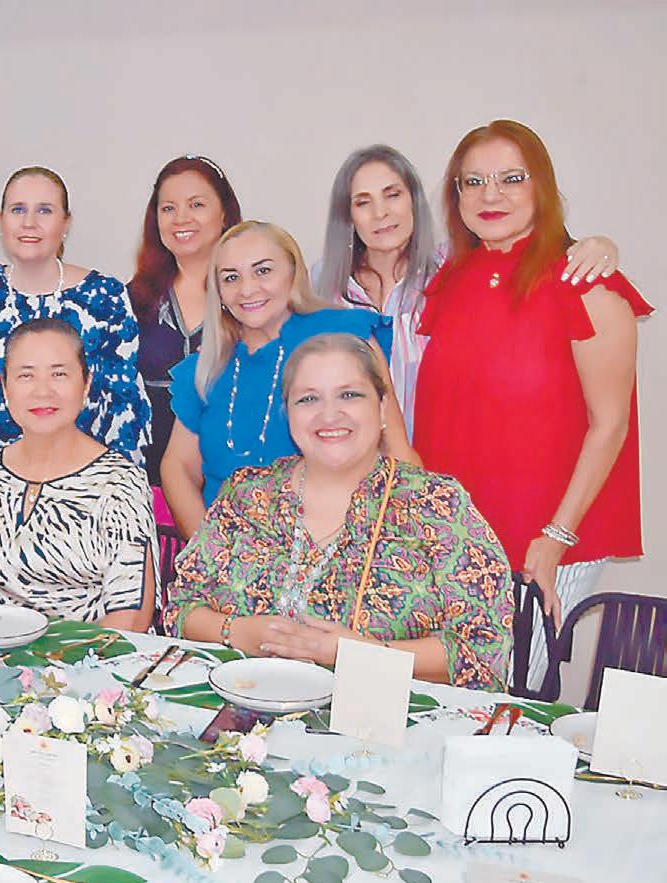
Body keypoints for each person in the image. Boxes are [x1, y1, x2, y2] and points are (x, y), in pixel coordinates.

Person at [162, 334, 512, 692]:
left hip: (385, 720)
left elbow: (484, 650)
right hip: (245, 709)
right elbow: (181, 608)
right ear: (288, 413)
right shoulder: (247, 495)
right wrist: (235, 632)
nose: (329, 414)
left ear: (382, 407)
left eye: (349, 395)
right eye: (308, 399)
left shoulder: (436, 506)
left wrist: (364, 655)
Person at [414, 119, 652, 635]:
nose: (490, 195)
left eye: (511, 179)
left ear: (541, 186)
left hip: (544, 543)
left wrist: (556, 536)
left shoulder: (584, 282)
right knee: (455, 680)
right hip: (452, 541)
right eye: (473, 181)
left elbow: (610, 424)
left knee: (519, 680)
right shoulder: (452, 281)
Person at [315, 144, 619, 432]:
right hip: (353, 458)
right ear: (348, 216)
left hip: (439, 457)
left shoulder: (452, 267)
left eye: (392, 195)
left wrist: (600, 245)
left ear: (414, 201)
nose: (380, 213)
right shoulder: (323, 285)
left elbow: (526, 243)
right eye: (363, 202)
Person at [159, 221, 413, 538]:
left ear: (293, 272)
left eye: (263, 271)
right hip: (230, 551)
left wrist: (408, 537)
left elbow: (397, 450)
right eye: (231, 277)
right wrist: (210, 549)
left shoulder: (344, 334)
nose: (247, 289)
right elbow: (178, 468)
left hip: (340, 545)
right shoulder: (205, 368)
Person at [0, 166, 150, 466]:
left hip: (87, 481)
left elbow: (121, 408)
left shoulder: (106, 297)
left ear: (66, 222)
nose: (29, 222)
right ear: (2, 220)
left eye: (44, 210)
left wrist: (107, 482)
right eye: (18, 210)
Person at [0, 319, 156, 630]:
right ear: (5, 387)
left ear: (86, 383)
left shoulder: (120, 483)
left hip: (86, 654)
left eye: (59, 374)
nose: (42, 391)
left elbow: (131, 617)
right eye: (26, 375)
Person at [130, 156, 243, 519]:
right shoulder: (131, 301)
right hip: (148, 497)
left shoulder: (254, 299)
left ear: (224, 213)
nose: (181, 218)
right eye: (168, 208)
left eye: (196, 204)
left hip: (239, 495)